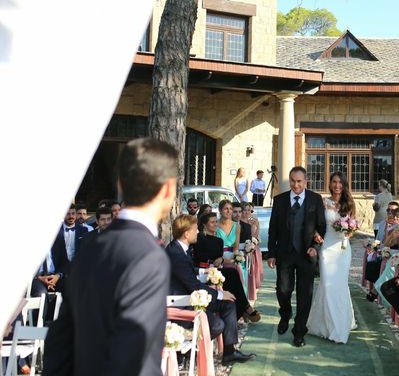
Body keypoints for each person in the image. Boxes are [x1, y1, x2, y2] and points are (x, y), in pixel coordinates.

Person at [44, 137, 177, 375]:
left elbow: (60, 340)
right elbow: (134, 355)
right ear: (168, 188)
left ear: (121, 184)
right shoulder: (149, 256)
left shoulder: (91, 245)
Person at [165, 214, 255, 364]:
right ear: (186, 234)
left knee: (229, 302)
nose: (197, 233)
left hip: (188, 297)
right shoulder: (176, 253)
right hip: (182, 304)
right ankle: (184, 351)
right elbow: (193, 285)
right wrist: (219, 294)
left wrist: (202, 272)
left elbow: (188, 272)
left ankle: (229, 351)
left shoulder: (179, 248)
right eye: (195, 230)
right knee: (217, 324)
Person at [267, 166, 326, 348]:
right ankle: (285, 314)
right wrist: (271, 254)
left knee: (304, 295)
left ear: (305, 181)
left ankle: (299, 332)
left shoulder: (315, 200)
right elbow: (273, 230)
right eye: (293, 180)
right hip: (285, 253)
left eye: (299, 181)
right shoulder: (279, 200)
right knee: (283, 290)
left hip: (306, 255)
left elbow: (321, 227)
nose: (296, 184)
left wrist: (315, 246)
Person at [307, 171, 358, 343]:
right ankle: (326, 325)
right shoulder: (323, 202)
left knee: (340, 286)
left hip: (343, 249)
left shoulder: (350, 204)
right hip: (327, 248)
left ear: (344, 185)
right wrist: (316, 234)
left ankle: (340, 327)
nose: (337, 185)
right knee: (327, 285)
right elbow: (315, 223)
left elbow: (354, 226)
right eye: (334, 182)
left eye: (340, 182)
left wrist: (348, 232)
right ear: (330, 184)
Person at [191, 211, 260, 322]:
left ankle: (241, 310)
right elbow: (199, 256)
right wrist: (214, 260)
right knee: (232, 275)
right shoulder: (199, 238)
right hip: (204, 270)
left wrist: (221, 259)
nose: (215, 224)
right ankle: (244, 308)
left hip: (217, 269)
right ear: (204, 224)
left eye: (216, 222)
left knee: (233, 273)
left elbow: (219, 255)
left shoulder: (218, 241)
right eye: (212, 222)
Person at [370, 210, 399, 305]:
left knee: (391, 263)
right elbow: (387, 243)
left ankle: (379, 288)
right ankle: (380, 288)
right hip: (398, 255)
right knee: (388, 260)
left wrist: (397, 256)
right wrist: (391, 234)